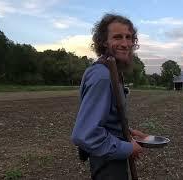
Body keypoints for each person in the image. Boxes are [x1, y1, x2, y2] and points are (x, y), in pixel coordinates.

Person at [71, 13, 148, 180]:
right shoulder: (103, 76)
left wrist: (128, 133)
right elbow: (85, 134)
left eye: (129, 37)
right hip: (107, 162)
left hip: (110, 155)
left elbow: (105, 119)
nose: (125, 43)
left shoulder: (111, 70)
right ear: (104, 41)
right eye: (118, 37)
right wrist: (128, 148)